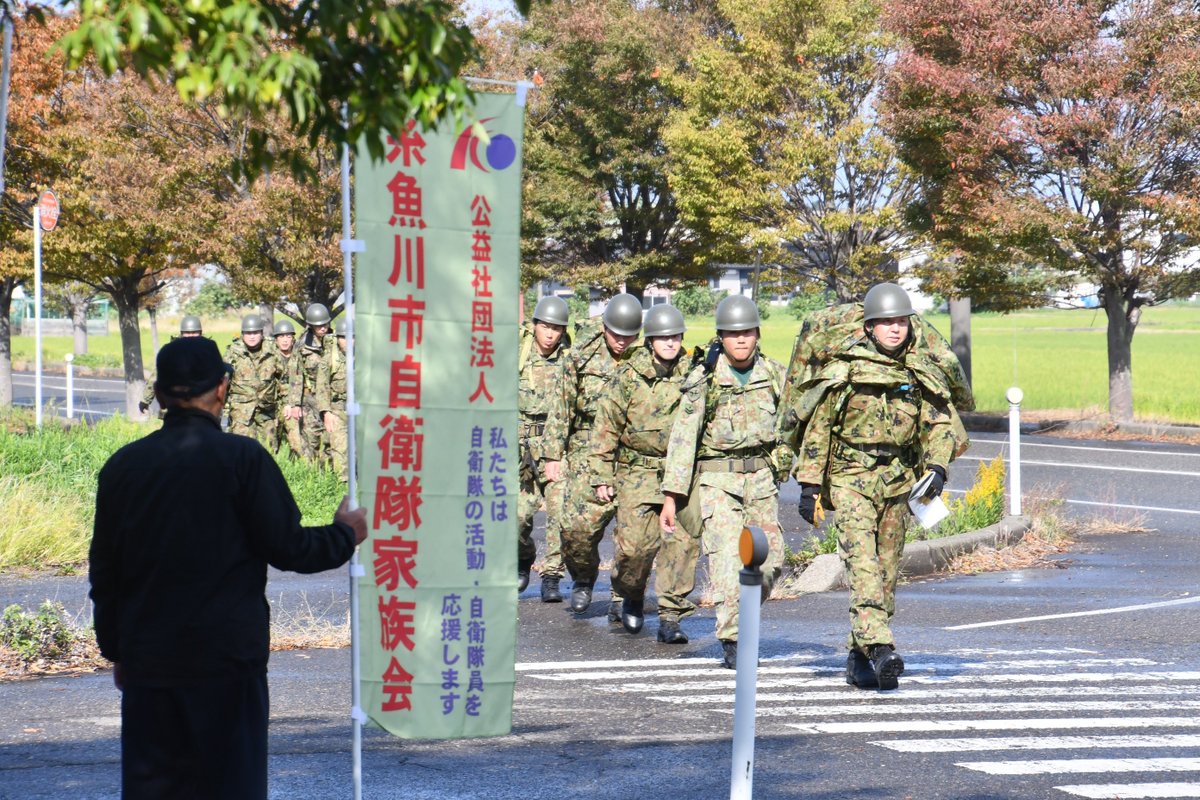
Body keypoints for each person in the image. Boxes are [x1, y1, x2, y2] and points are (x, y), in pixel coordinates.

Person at [89, 336, 367, 799]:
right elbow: (291, 549)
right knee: (230, 785)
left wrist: (117, 650)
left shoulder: (123, 467)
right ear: (222, 388)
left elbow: (105, 571)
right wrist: (344, 534)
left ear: (158, 395)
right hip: (226, 662)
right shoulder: (243, 459)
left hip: (149, 662)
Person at [790, 282, 958, 690]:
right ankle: (881, 647)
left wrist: (937, 467)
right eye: (885, 322)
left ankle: (858, 656)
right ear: (869, 327)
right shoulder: (845, 371)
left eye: (900, 321)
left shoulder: (918, 373)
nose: (894, 329)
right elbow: (819, 429)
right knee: (862, 563)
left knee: (885, 571)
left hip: (898, 481)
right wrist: (810, 486)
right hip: (851, 478)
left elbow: (940, 424)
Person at [660, 294, 790, 668]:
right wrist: (672, 497)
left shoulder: (775, 375)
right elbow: (683, 438)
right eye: (733, 334)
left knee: (771, 562)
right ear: (721, 337)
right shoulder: (705, 378)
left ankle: (742, 615)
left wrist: (790, 462)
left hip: (761, 480)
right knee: (729, 562)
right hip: (718, 481)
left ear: (758, 334)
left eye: (747, 332)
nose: (741, 339)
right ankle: (734, 638)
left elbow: (792, 426)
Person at [589, 304, 699, 642]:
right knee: (634, 549)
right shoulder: (628, 375)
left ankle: (671, 615)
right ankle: (630, 592)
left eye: (675, 336)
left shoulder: (694, 373)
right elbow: (606, 425)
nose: (670, 342)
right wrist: (601, 474)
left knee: (681, 545)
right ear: (650, 340)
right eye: (663, 337)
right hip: (637, 470)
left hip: (680, 471)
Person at [542, 292, 643, 618]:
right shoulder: (581, 357)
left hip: (631, 453)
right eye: (616, 335)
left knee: (634, 537)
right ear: (604, 328)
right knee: (575, 532)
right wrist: (553, 455)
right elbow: (561, 407)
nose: (622, 342)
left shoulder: (647, 357)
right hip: (586, 450)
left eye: (629, 336)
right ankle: (583, 577)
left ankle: (623, 595)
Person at [517, 296, 571, 601]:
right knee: (517, 517)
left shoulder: (569, 359)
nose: (550, 334)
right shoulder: (518, 354)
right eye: (545, 327)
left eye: (556, 328)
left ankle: (552, 575)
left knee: (558, 512)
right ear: (534, 325)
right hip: (520, 446)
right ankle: (523, 556)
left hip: (555, 445)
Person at [224, 314, 285, 447]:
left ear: (262, 333)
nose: (252, 337)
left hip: (267, 411)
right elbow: (223, 383)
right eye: (248, 333)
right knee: (242, 448)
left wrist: (287, 404)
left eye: (255, 333)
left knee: (270, 448)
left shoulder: (272, 351)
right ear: (242, 334)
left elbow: (284, 378)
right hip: (241, 412)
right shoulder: (233, 353)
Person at [285, 303, 332, 463]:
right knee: (311, 439)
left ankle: (330, 472)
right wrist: (294, 404)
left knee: (331, 439)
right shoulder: (302, 345)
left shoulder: (335, 341)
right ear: (311, 325)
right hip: (310, 398)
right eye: (319, 326)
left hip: (331, 397)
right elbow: (296, 375)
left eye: (325, 324)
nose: (323, 328)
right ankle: (310, 471)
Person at [139, 315, 204, 416]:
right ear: (181, 333)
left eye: (194, 332)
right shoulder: (171, 351)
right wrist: (146, 399)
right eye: (187, 333)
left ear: (200, 333)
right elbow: (157, 375)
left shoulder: (207, 351)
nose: (191, 335)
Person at [271, 318, 310, 458]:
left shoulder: (298, 354)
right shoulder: (270, 356)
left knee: (297, 443)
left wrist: (292, 404)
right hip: (273, 403)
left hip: (293, 402)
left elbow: (298, 380)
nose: (285, 340)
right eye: (281, 336)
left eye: (288, 336)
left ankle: (298, 466)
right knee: (271, 442)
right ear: (276, 339)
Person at [318, 318, 350, 481]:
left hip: (359, 409)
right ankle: (341, 485)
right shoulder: (329, 359)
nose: (348, 341)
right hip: (337, 409)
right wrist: (326, 412)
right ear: (337, 338)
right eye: (344, 337)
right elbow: (322, 387)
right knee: (339, 449)